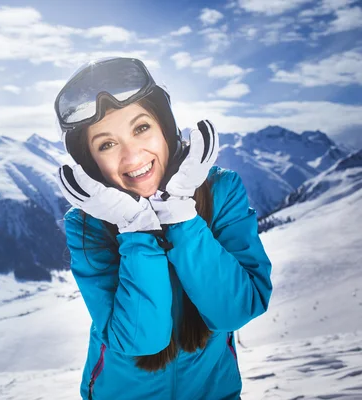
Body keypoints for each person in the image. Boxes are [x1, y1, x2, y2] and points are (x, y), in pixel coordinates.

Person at [54, 57, 273, 400]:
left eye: (141, 128)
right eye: (106, 144)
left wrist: (182, 217)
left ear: (165, 127)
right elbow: (141, 340)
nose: (131, 156)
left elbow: (237, 309)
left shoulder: (221, 191)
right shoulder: (87, 224)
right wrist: (135, 228)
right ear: (90, 163)